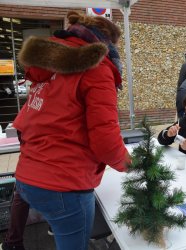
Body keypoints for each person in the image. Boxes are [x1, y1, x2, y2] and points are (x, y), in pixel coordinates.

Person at [11, 11, 130, 250]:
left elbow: (26, 124)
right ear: (105, 42)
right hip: (65, 186)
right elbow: (105, 139)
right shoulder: (97, 69)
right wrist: (131, 163)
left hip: (27, 178)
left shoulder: (49, 67)